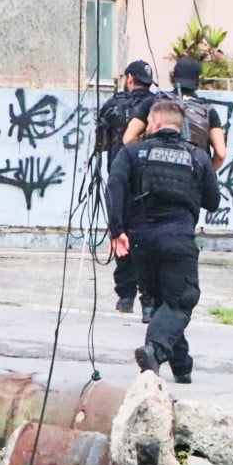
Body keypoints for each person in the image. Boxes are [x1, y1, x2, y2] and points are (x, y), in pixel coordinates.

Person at [107, 99, 221, 384]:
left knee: (161, 303)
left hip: (141, 242)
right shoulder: (197, 156)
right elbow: (213, 201)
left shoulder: (132, 153)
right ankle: (155, 350)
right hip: (177, 239)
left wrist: (116, 230)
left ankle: (182, 366)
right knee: (182, 299)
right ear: (178, 125)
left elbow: (114, 188)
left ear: (153, 123)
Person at [97, 61, 157, 320]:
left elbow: (100, 144)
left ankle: (125, 296)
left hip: (119, 178)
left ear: (129, 78)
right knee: (147, 237)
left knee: (120, 232)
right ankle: (149, 298)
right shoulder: (158, 105)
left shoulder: (112, 105)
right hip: (149, 180)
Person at [123, 56, 227, 171]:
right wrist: (205, 173)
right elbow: (221, 154)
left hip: (156, 173)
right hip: (192, 179)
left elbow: (129, 138)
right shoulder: (208, 111)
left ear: (173, 76)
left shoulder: (155, 102)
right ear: (199, 80)